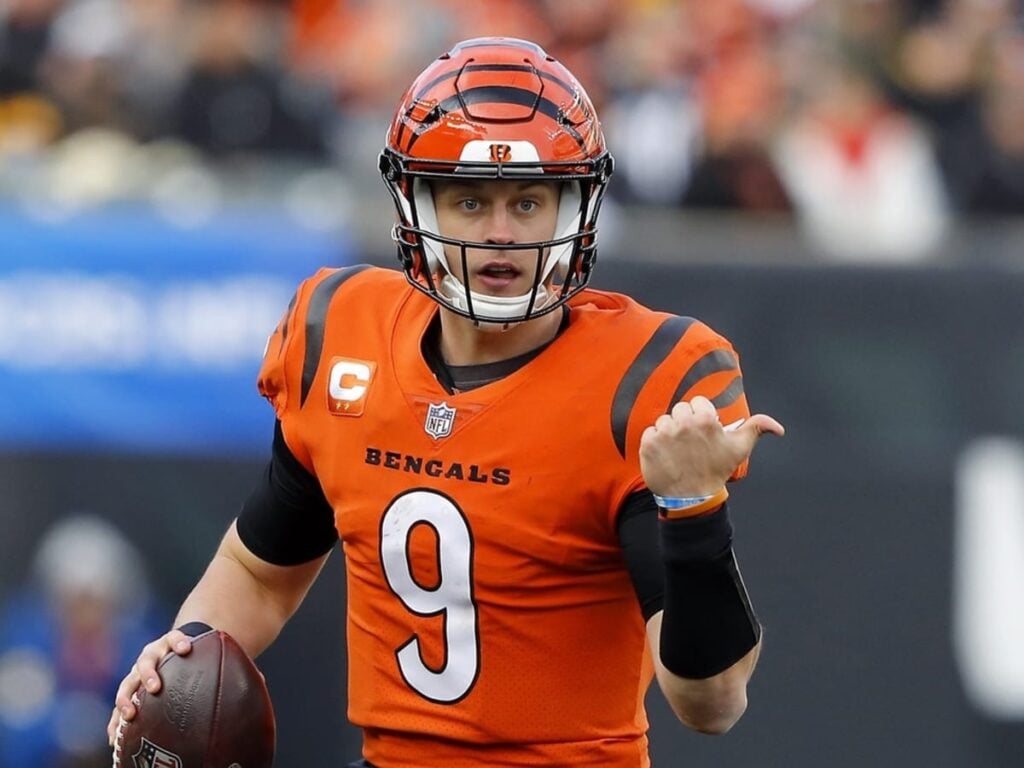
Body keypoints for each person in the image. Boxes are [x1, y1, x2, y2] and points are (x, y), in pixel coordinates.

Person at [108, 37, 784, 767]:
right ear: (414, 202)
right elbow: (257, 574)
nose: (499, 231)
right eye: (469, 199)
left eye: (527, 201)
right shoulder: (343, 333)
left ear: (577, 207)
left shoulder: (640, 381)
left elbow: (712, 703)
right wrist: (183, 654)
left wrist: (692, 510)